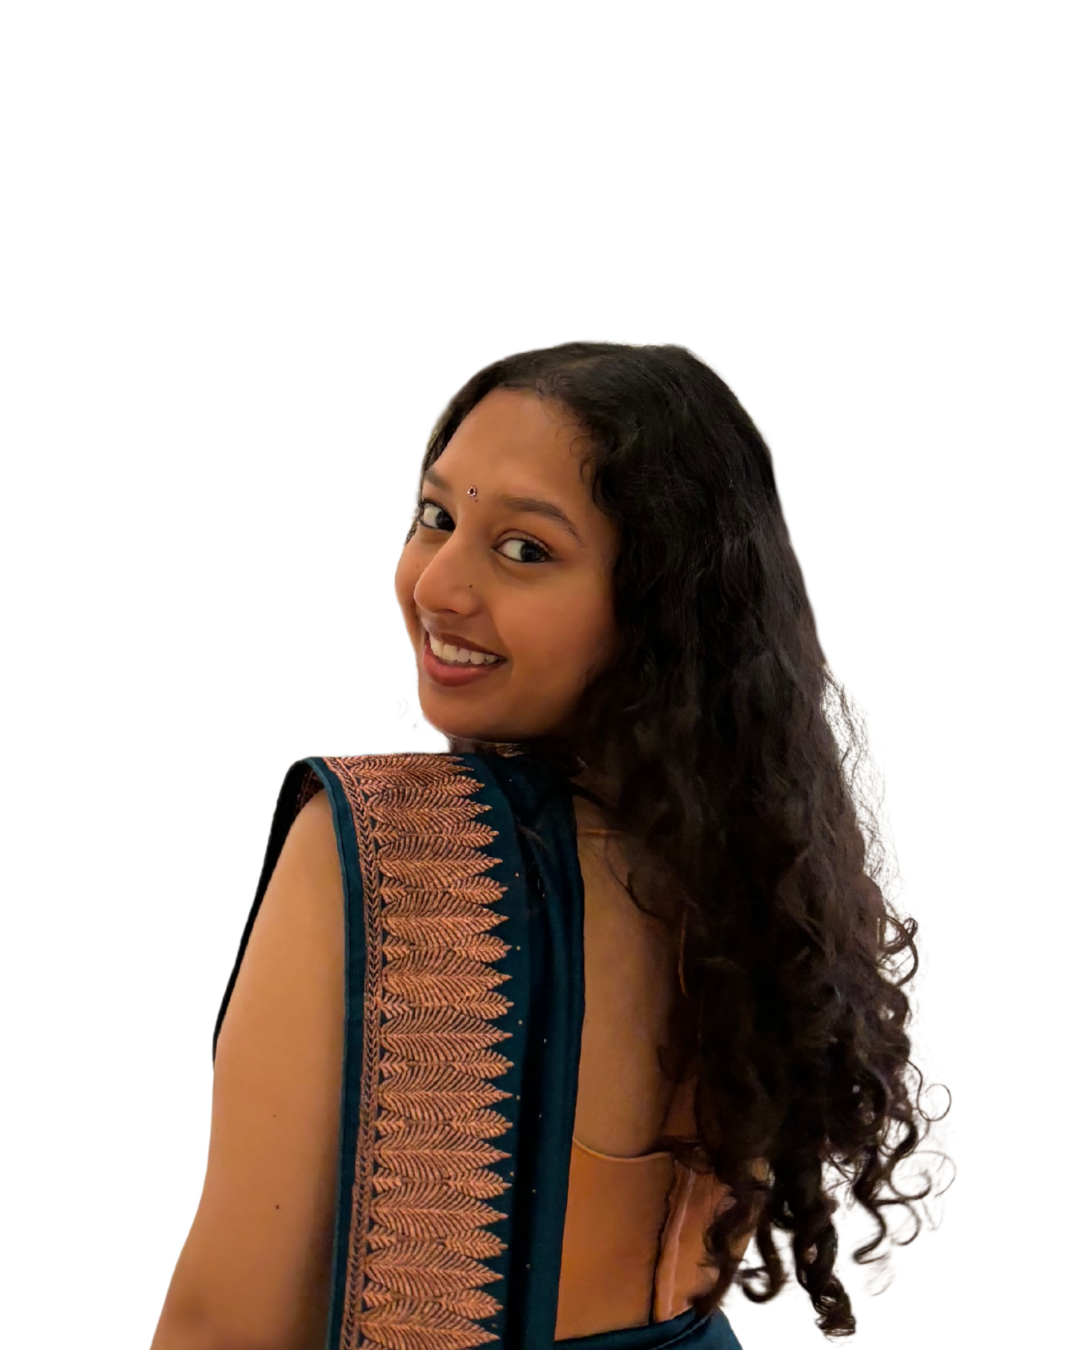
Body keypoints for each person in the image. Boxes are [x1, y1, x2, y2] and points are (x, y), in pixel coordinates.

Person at [150, 341, 956, 1350]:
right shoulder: (754, 871)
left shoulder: (393, 851)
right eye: (435, 517)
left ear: (655, 602)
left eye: (525, 550)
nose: (439, 586)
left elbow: (224, 1322)